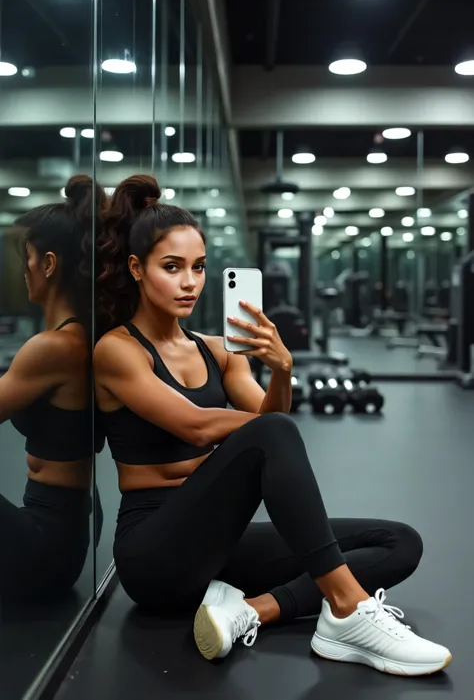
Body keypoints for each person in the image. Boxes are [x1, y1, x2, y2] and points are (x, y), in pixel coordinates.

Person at [94, 174, 451, 677]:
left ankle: (250, 609)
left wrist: (282, 369)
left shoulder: (217, 349)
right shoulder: (117, 350)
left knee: (399, 542)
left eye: (198, 267)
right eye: (171, 268)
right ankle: (347, 610)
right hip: (155, 556)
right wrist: (265, 423)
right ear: (136, 268)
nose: (190, 282)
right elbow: (199, 426)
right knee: (271, 433)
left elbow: (270, 418)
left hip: (220, 541)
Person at [0, 176, 105, 602]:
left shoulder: (55, 346)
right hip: (64, 530)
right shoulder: (80, 336)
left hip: (45, 545)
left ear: (47, 263)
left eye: (25, 258)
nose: (22, 271)